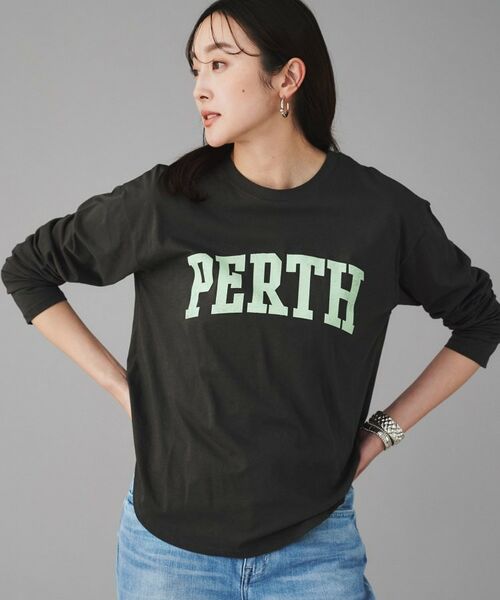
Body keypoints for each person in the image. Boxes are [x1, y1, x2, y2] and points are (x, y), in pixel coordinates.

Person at [2, 1, 500, 599]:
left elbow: (480, 320)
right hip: (169, 555)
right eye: (195, 68)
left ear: (287, 78)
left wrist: (382, 433)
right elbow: (27, 269)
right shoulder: (168, 201)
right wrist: (123, 389)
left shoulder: (381, 215)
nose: (199, 87)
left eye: (218, 63)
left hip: (315, 551)